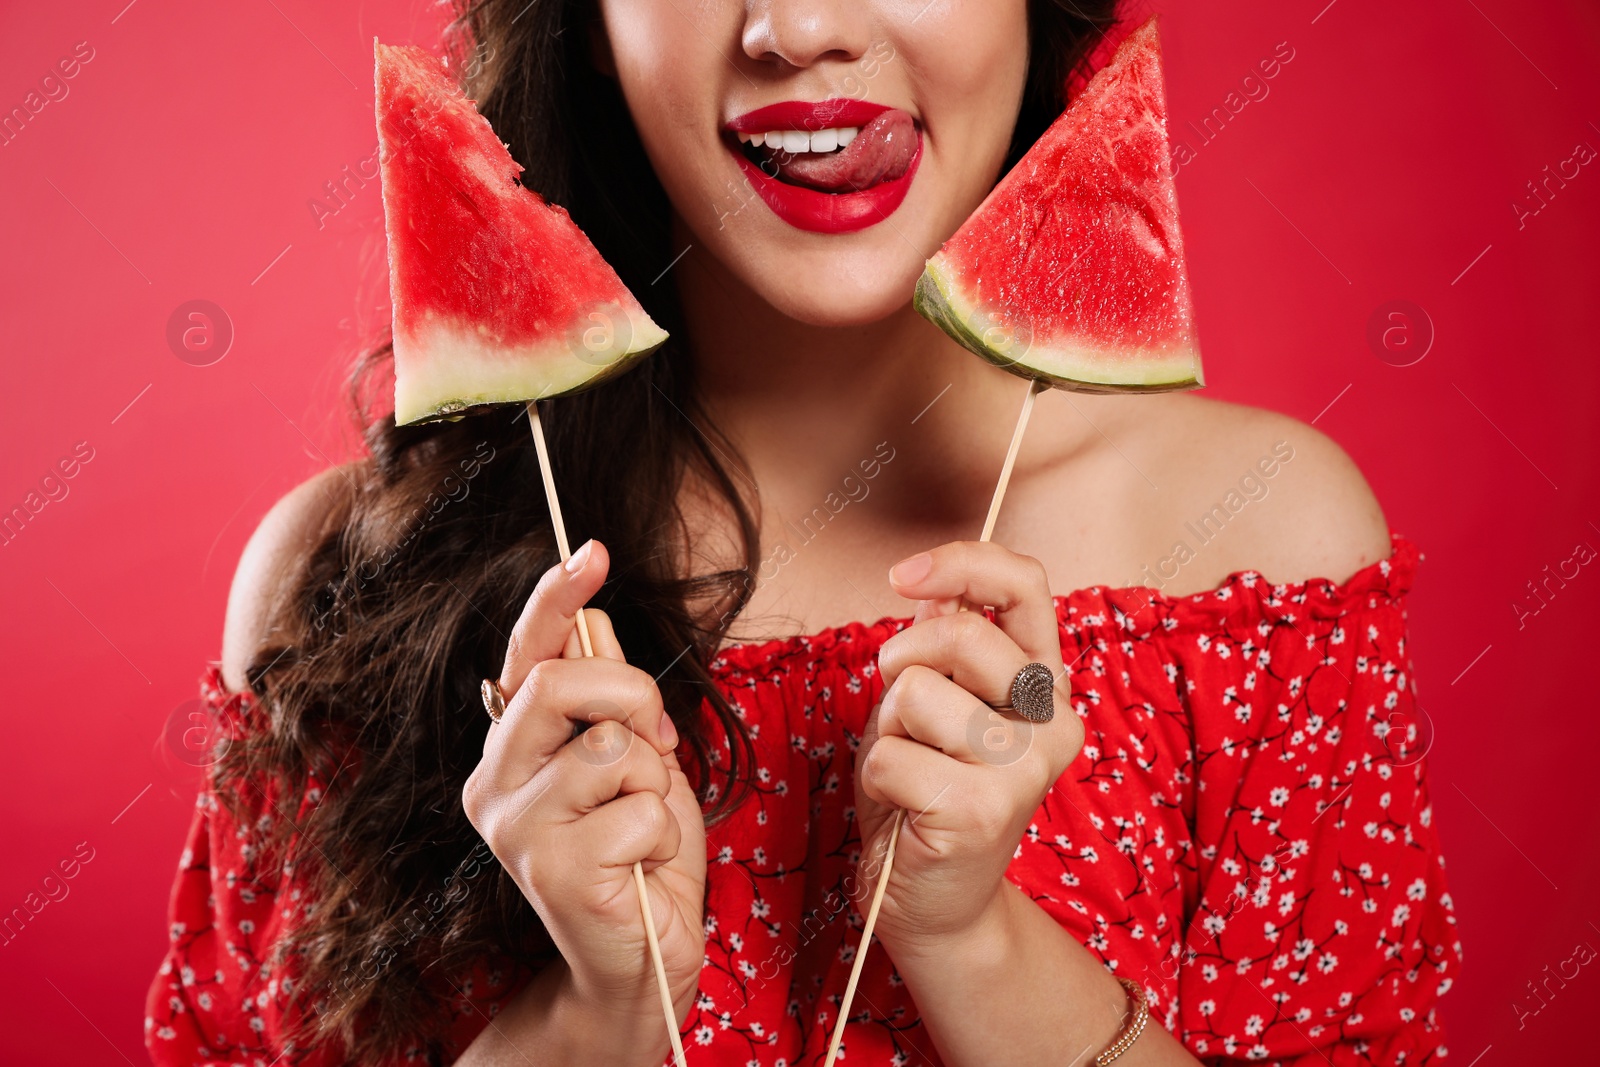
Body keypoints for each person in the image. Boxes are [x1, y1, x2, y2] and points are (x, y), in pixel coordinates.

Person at [145, 1, 1459, 1064]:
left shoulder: (1261, 547)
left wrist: (975, 945)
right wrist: (590, 1021)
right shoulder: (346, 581)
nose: (800, 26)